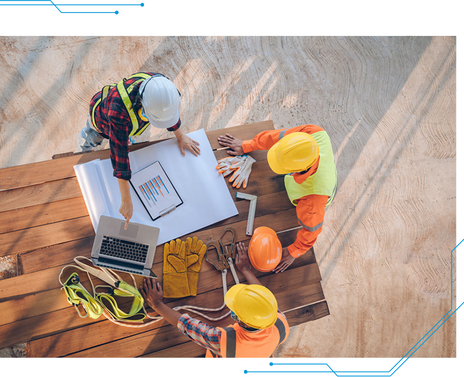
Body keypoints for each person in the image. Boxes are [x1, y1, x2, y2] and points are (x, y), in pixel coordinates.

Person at [80, 72, 201, 228]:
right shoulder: (118, 112)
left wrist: (180, 135)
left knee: (126, 135)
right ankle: (83, 149)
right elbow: (120, 156)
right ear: (142, 106)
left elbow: (167, 113)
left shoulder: (161, 88)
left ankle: (128, 134)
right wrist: (126, 201)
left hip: (128, 124)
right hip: (101, 122)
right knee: (90, 139)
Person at [217, 125, 337, 273]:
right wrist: (247, 145)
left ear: (297, 170)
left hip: (316, 192)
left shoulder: (312, 202)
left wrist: (294, 251)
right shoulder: (314, 133)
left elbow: (312, 231)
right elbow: (276, 137)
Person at [141, 242, 289, 358]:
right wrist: (245, 269)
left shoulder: (224, 342)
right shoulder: (280, 322)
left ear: (240, 319)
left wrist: (157, 304)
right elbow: (261, 300)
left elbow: (188, 326)